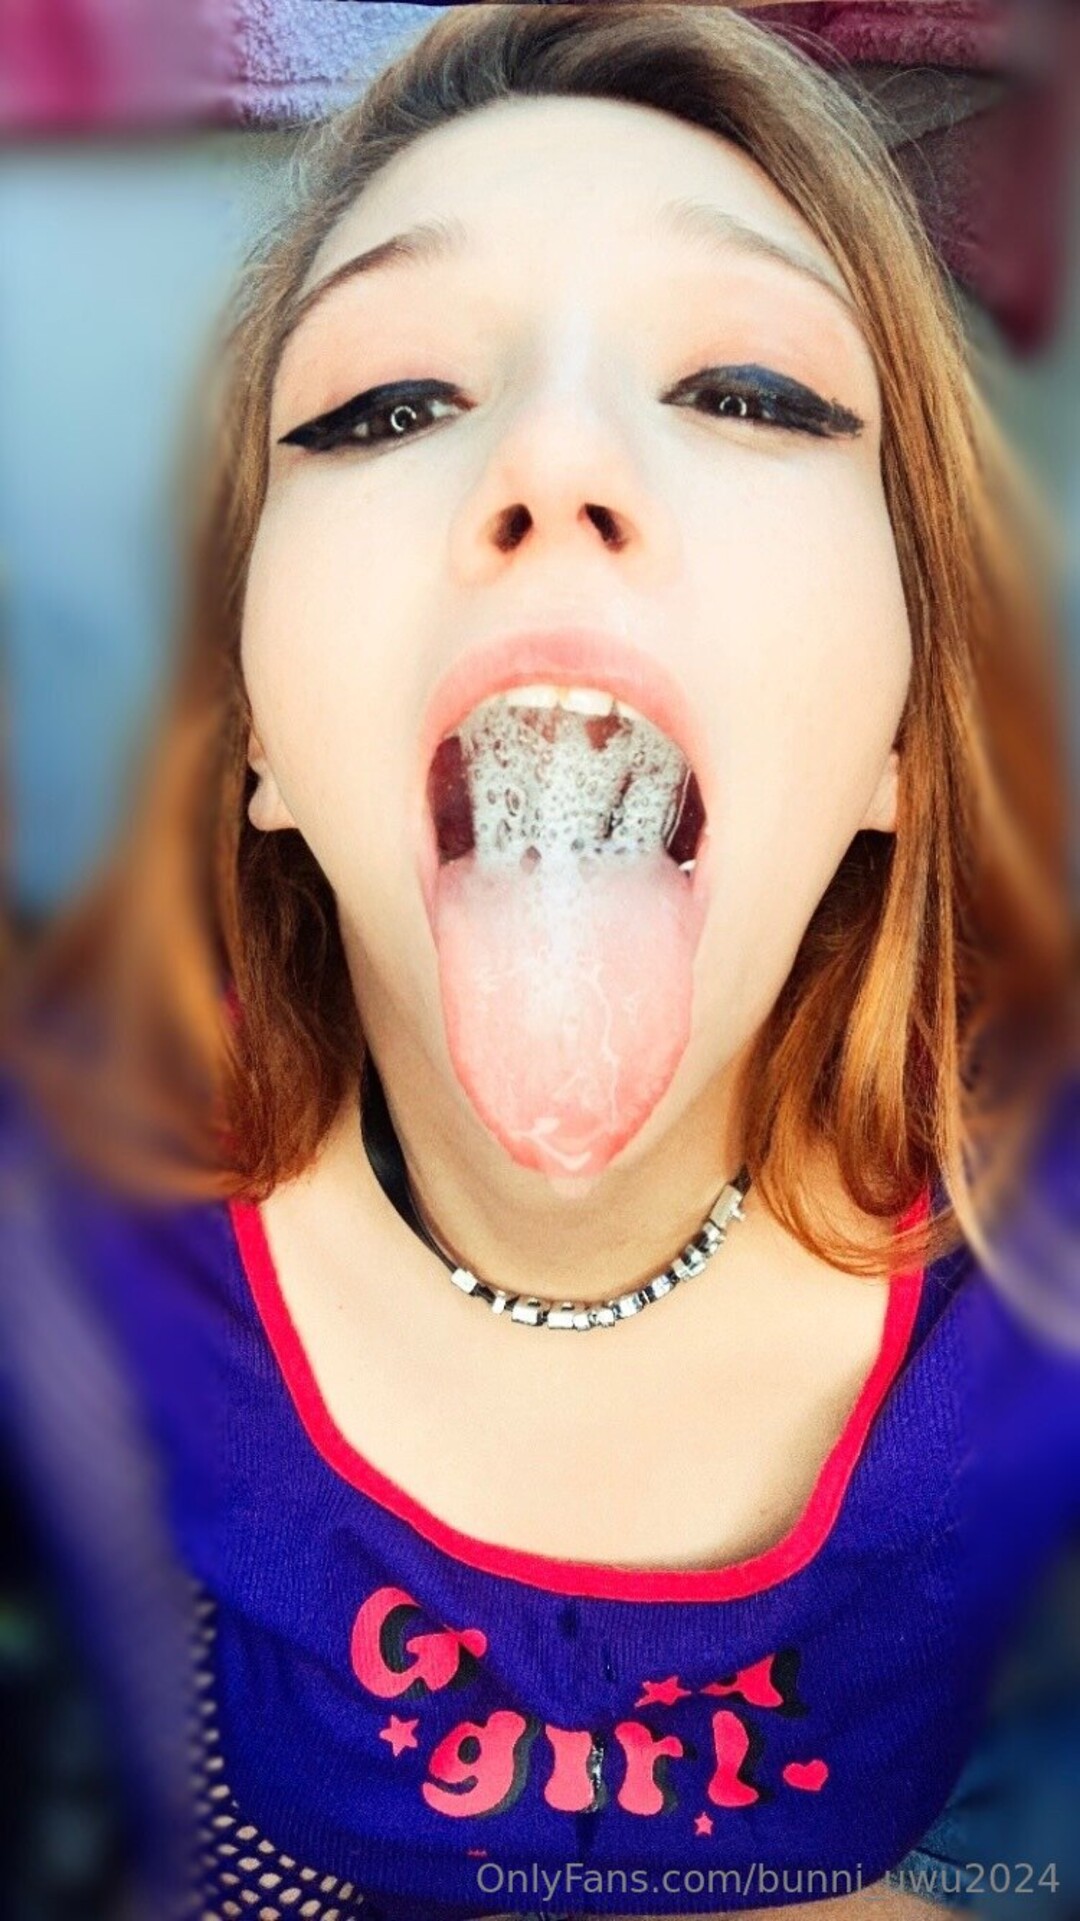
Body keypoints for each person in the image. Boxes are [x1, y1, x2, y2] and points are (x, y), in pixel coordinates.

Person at [2, 6, 1077, 1919]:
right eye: (382, 406)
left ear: (904, 747)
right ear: (260, 745)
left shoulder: (1044, 1250)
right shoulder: (83, 1198)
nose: (557, 458)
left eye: (750, 389)